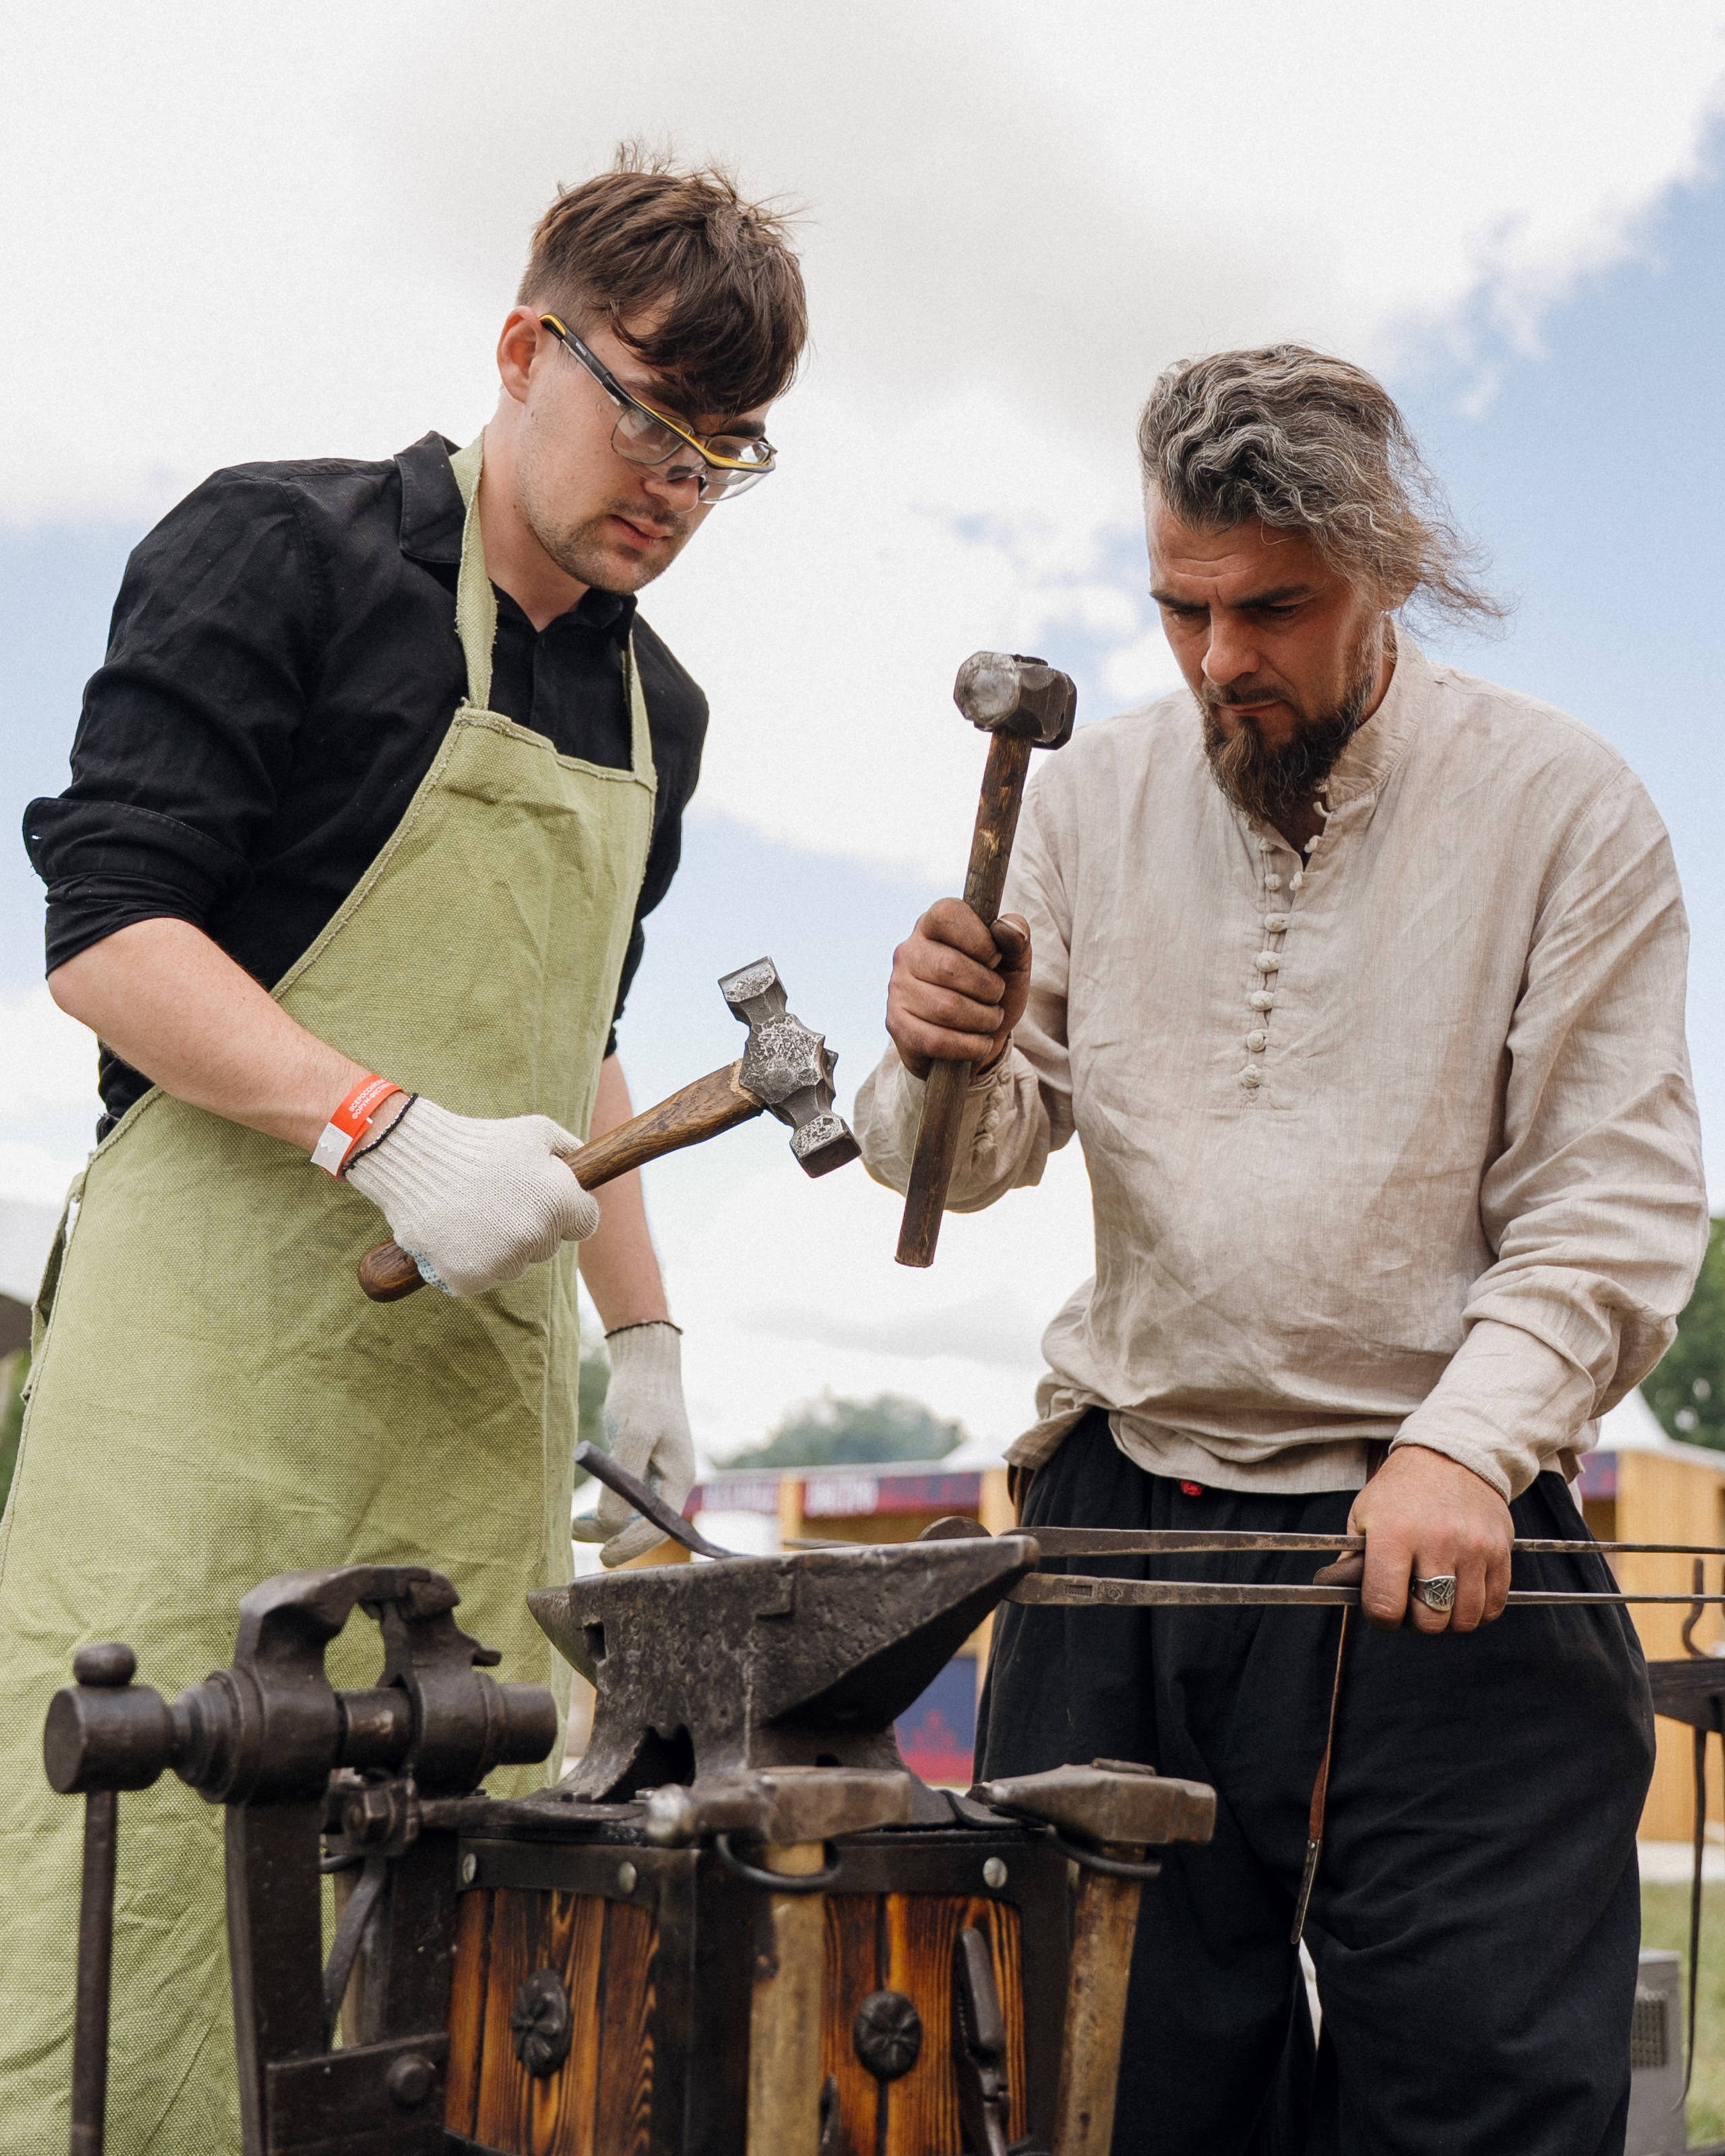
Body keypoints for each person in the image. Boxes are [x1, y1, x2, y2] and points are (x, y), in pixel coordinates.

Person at [0, 154, 805, 2151]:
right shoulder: (278, 549)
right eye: (652, 417)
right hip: (212, 1382)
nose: (679, 487)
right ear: (524, 347)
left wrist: (651, 1339)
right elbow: (110, 933)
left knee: (454, 1951)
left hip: (472, 1412)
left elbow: (581, 1037)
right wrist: (376, 1127)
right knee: (139, 1925)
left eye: (727, 456)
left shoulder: (658, 707)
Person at [856, 346, 1709, 2155]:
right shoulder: (1083, 797)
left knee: (1473, 2115)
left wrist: (1466, 1444)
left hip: (1446, 1542)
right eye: (1184, 607)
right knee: (1107, 2106)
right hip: (1128, 1545)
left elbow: (1612, 1203)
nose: (1219, 656)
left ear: (1388, 568)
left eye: (1274, 609)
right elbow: (974, 1156)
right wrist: (940, 1048)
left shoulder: (1565, 807)